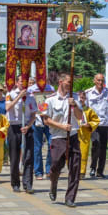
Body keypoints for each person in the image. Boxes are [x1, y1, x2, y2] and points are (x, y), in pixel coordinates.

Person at [42, 73, 83, 207]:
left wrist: (74, 105)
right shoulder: (50, 100)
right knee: (55, 166)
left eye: (71, 83)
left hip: (73, 136)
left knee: (75, 168)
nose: (70, 85)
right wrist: (61, 126)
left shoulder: (75, 97)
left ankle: (70, 198)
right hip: (58, 137)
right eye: (68, 82)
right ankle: (53, 184)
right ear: (60, 82)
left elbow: (80, 116)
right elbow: (46, 120)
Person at [6, 75, 37, 193]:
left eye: (25, 82)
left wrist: (28, 126)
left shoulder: (31, 96)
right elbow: (8, 107)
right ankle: (15, 183)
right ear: (16, 82)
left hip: (26, 127)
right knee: (14, 157)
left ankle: (28, 183)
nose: (23, 84)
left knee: (28, 156)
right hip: (14, 127)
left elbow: (34, 114)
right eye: (21, 82)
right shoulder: (11, 94)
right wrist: (19, 96)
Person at [86, 73, 108, 178]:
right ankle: (93, 167)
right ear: (94, 81)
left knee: (103, 148)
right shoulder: (89, 93)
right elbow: (86, 109)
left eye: (102, 80)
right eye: (98, 80)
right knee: (96, 145)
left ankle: (100, 170)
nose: (100, 83)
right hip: (94, 124)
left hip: (105, 124)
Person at [28, 80, 56, 180]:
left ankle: (49, 170)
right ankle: (38, 171)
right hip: (37, 120)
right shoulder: (31, 89)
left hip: (48, 120)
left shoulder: (51, 88)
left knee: (51, 144)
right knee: (37, 147)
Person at [77, 91, 100, 179]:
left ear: (85, 99)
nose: (80, 99)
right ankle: (73, 170)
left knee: (83, 152)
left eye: (82, 98)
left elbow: (96, 120)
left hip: (84, 135)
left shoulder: (89, 110)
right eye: (79, 98)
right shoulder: (72, 109)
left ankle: (82, 172)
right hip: (74, 134)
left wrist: (89, 125)